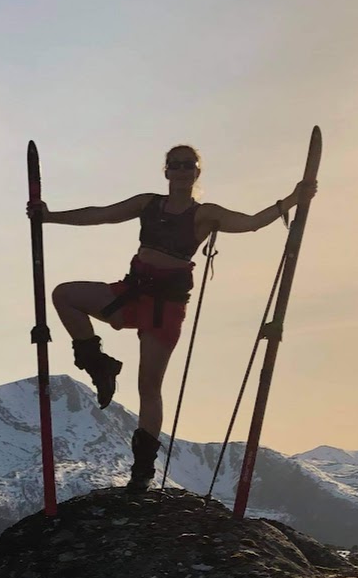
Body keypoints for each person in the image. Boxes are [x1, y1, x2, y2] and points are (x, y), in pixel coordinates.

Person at [28, 145, 317, 494]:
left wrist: (293, 199)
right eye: (175, 165)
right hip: (132, 292)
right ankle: (99, 365)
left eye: (188, 165)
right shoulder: (147, 204)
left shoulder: (205, 214)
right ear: (166, 171)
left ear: (197, 172)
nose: (181, 171)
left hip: (165, 307)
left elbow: (252, 222)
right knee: (65, 295)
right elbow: (101, 214)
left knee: (149, 387)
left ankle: (142, 471)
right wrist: (49, 217)